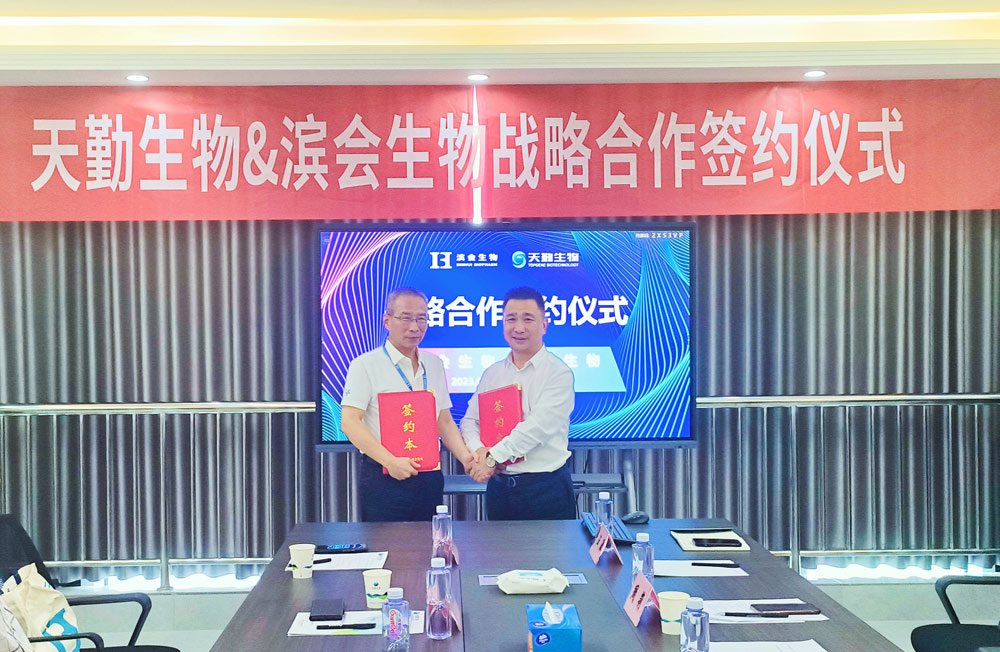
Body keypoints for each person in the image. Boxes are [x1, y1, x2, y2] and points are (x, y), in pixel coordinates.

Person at [340, 288, 474, 521]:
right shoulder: (365, 365)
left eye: (421, 318)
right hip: (384, 476)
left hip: (429, 477)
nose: (414, 327)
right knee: (386, 543)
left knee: (429, 542)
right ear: (387, 321)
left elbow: (444, 421)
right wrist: (390, 461)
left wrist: (466, 459)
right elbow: (350, 422)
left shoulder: (433, 364)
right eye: (406, 318)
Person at [461, 286, 576, 520]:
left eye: (528, 319)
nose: (519, 328)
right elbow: (470, 421)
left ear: (544, 325)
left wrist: (492, 457)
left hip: (545, 489)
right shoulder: (493, 373)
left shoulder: (558, 373)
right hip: (499, 489)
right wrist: (480, 452)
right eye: (511, 319)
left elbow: (537, 428)